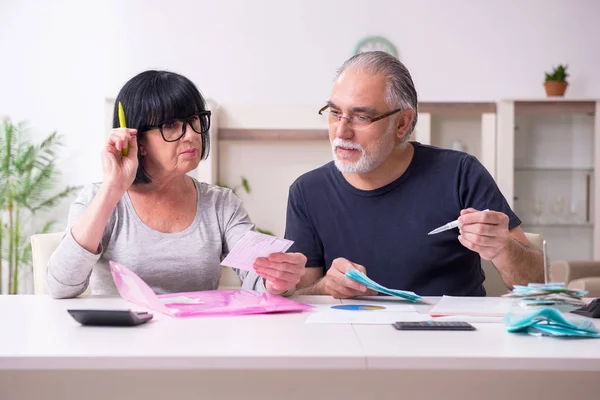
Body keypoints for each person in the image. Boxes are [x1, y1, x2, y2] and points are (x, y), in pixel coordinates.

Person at [284, 51, 543, 298]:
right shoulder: (307, 191)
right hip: (354, 337)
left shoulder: (460, 174)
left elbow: (537, 282)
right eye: (335, 113)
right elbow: (300, 295)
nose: (341, 132)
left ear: (402, 123)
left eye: (361, 117)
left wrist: (503, 249)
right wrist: (325, 287)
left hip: (451, 337)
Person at [46, 70, 306, 298]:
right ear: (137, 140)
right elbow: (61, 286)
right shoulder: (99, 197)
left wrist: (276, 280)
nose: (192, 135)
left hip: (197, 341)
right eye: (171, 125)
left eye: (194, 121)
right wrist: (113, 188)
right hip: (120, 342)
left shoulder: (220, 204)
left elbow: (257, 278)